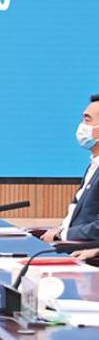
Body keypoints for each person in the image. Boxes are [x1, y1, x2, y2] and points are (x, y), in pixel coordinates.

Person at [41, 94, 99, 242]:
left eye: (87, 120)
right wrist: (59, 230)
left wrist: (61, 235)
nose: (82, 126)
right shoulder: (93, 166)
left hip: (82, 250)